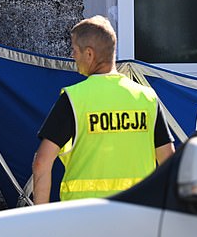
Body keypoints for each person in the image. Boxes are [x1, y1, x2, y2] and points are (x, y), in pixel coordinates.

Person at [32, 15, 175, 204]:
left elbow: (42, 163)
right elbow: (169, 163)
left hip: (84, 217)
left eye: (74, 50)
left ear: (89, 54)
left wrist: (40, 221)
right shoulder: (147, 98)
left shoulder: (75, 98)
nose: (72, 56)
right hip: (138, 216)